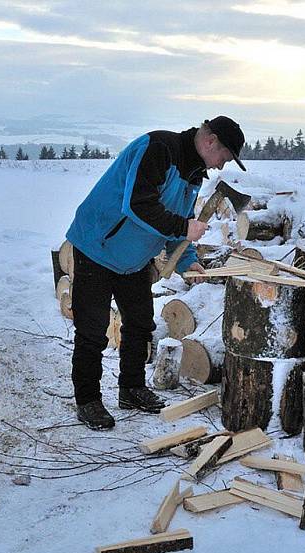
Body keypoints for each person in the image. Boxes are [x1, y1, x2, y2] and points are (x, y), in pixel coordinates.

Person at [65, 116, 247, 430]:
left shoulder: (193, 173)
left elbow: (181, 218)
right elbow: (136, 205)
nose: (220, 167)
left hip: (134, 259)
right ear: (210, 141)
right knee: (92, 330)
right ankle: (88, 400)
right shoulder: (158, 148)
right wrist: (183, 227)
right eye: (224, 158)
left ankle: (132, 388)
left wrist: (187, 258)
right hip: (98, 244)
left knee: (139, 325)